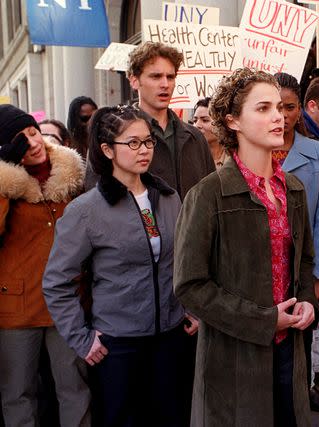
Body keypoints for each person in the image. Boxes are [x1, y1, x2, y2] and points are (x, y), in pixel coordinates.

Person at [173, 68, 318, 427]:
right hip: (233, 357)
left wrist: (308, 304)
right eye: (263, 108)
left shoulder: (294, 189)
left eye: (281, 108)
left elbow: (304, 261)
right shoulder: (207, 195)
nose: (278, 117)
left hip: (291, 350)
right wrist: (265, 320)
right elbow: (190, 285)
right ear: (232, 120)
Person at [42, 105, 198, 427]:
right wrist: (82, 339)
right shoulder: (86, 210)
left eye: (148, 142)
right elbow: (57, 281)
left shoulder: (168, 198)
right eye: (133, 143)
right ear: (107, 149)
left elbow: (183, 260)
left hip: (170, 338)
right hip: (118, 346)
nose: (144, 151)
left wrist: (190, 308)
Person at [0, 104, 90, 427]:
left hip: (66, 303)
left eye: (33, 132)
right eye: (20, 140)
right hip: (16, 306)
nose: (33, 142)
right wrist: (6, 180)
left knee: (74, 388)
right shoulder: (6, 185)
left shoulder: (71, 175)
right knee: (18, 394)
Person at [274, 72, 319, 414]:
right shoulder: (252, 149)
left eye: (288, 107)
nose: (282, 115)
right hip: (264, 269)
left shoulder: (318, 153)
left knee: (302, 344)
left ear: (300, 108)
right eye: (273, 107)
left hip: (304, 266)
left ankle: (303, 398)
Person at [85, 42, 214, 199]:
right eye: (156, 76)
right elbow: (96, 200)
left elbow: (210, 195)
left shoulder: (195, 137)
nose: (165, 84)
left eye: (170, 77)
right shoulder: (111, 134)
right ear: (134, 81)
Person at [192, 97, 229, 168]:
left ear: (220, 123)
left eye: (205, 120)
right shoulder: (188, 156)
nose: (197, 125)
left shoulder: (236, 156)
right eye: (195, 120)